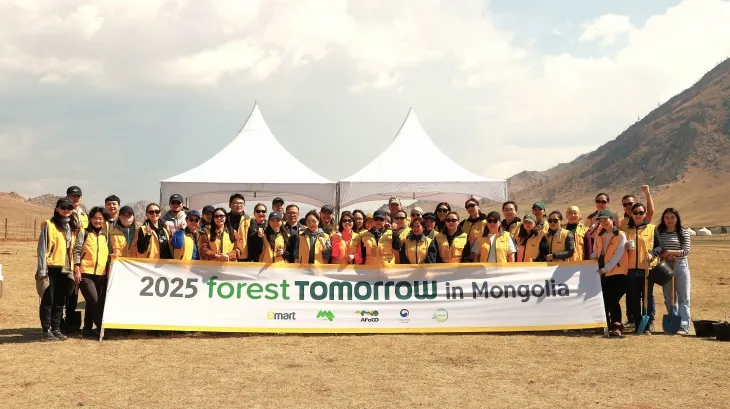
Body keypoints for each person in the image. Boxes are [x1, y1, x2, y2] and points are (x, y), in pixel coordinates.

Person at [36, 198, 80, 341]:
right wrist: (42, 270)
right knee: (48, 299)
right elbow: (42, 248)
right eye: (63, 207)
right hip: (50, 267)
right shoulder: (49, 225)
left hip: (65, 268)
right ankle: (46, 331)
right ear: (57, 208)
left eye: (69, 207)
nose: (66, 210)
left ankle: (56, 328)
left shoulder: (72, 227)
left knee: (60, 300)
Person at [650, 208, 692, 335]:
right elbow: (657, 248)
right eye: (667, 218)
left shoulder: (683, 232)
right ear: (663, 219)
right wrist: (664, 255)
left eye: (672, 217)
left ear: (677, 218)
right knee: (669, 297)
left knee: (684, 297)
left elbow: (686, 251)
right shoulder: (660, 232)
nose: (670, 220)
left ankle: (683, 326)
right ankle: (674, 323)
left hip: (680, 265)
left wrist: (670, 252)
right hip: (665, 266)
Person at [72, 207, 110, 338]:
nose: (97, 221)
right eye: (95, 218)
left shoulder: (105, 235)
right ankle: (102, 328)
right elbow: (77, 251)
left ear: (104, 220)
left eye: (100, 218)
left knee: (91, 302)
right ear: (90, 219)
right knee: (94, 301)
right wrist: (77, 268)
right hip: (85, 273)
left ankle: (87, 329)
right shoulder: (84, 232)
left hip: (101, 274)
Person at [592, 210, 628, 337]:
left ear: (612, 219)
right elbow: (596, 251)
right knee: (604, 299)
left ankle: (617, 326)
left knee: (613, 299)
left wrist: (606, 268)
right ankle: (605, 325)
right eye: (601, 220)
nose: (603, 222)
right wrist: (591, 260)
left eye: (605, 219)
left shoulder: (621, 235)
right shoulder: (599, 235)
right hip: (603, 272)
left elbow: (618, 255)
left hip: (617, 272)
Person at [622, 202, 657, 335]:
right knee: (634, 297)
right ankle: (638, 324)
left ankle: (648, 324)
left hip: (647, 269)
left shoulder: (652, 228)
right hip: (630, 269)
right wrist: (624, 247)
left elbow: (659, 246)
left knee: (648, 297)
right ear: (631, 214)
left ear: (644, 214)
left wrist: (652, 254)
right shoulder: (626, 230)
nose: (638, 215)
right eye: (635, 212)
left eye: (641, 212)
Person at [226, 194, 251, 261]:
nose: (239, 205)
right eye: (235, 203)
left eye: (241, 203)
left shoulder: (249, 219)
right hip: (226, 256)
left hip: (244, 257)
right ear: (230, 205)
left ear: (244, 205)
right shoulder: (224, 219)